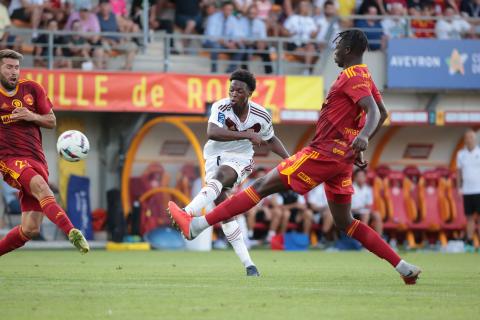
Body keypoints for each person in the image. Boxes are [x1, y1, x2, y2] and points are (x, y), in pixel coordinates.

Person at [169, 29, 422, 285]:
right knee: (346, 222)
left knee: (260, 187)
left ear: (347, 50)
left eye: (337, 46)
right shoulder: (365, 75)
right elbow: (383, 112)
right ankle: (403, 267)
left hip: (323, 152)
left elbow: (374, 113)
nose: (333, 51)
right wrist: (359, 144)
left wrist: (364, 138)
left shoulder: (352, 75)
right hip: (342, 158)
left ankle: (197, 225)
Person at [179, 69, 289, 276]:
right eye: (231, 89)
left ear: (248, 93)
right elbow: (212, 132)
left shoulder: (261, 115)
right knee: (225, 212)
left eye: (239, 90)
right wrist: (245, 134)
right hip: (213, 157)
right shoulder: (220, 106)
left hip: (241, 160)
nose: (234, 93)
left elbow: (271, 139)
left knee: (222, 175)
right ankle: (249, 265)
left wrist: (290, 159)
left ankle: (187, 213)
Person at [0, 49, 89, 256]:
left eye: (16, 67)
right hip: (9, 159)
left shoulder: (32, 89)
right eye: (8, 67)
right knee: (42, 188)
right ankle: (73, 232)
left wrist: (31, 116)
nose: (14, 72)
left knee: (30, 229)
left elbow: (51, 121)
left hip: (37, 158)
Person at [456, 129, 480, 252]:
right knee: (469, 218)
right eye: (467, 137)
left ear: (474, 139)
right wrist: (459, 188)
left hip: (479, 190)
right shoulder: (461, 154)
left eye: (471, 137)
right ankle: (470, 243)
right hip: (467, 191)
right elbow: (459, 173)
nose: (469, 139)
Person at [351, 168, 383, 236]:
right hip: (353, 212)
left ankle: (379, 238)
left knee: (377, 215)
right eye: (359, 176)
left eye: (362, 176)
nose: (360, 178)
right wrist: (361, 207)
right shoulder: (350, 188)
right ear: (355, 177)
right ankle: (363, 238)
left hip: (364, 210)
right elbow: (350, 206)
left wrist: (364, 207)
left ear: (365, 178)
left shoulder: (368, 189)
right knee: (365, 214)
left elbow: (369, 204)